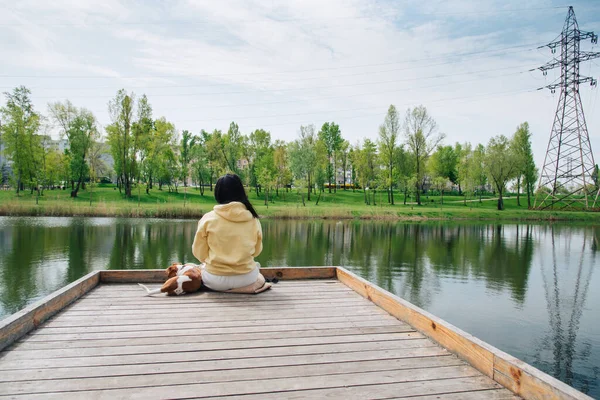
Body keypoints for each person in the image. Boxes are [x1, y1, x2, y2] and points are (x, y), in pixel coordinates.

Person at [192, 173, 265, 292]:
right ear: (241, 193)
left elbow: (199, 253)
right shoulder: (253, 219)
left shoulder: (208, 219)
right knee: (257, 269)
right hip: (246, 278)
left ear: (218, 193)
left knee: (197, 268)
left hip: (214, 280)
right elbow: (257, 251)